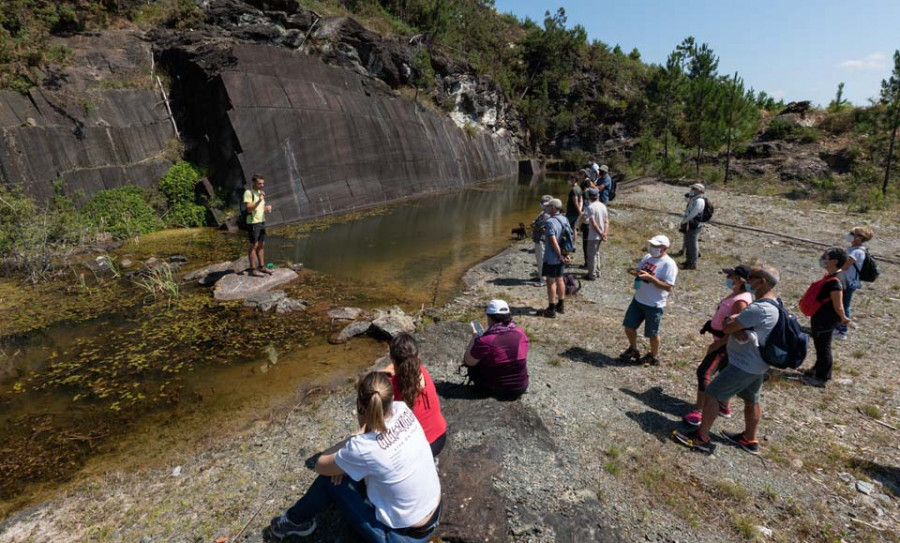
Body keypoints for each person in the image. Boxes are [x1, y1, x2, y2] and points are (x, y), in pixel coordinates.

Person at [269, 371, 442, 542]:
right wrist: (348, 460)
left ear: (360, 405)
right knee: (352, 466)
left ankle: (292, 521)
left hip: (402, 537)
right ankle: (346, 470)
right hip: (435, 510)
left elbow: (320, 464)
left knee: (329, 480)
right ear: (391, 398)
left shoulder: (362, 447)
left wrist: (353, 441)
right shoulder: (403, 410)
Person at [674, 266, 781, 455]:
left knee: (713, 394)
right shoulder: (775, 303)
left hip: (743, 364)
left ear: (762, 282)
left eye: (751, 278)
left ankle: (701, 437)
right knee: (752, 400)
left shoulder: (758, 307)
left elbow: (728, 327)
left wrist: (731, 321)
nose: (748, 281)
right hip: (758, 364)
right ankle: (749, 438)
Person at [682, 265, 753, 426]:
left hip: (724, 345)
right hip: (722, 342)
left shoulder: (741, 301)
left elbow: (737, 327)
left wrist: (718, 345)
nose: (728, 278)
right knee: (724, 373)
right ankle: (723, 406)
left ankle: (700, 411)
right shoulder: (737, 294)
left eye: (731, 276)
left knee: (704, 373)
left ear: (740, 280)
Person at [383, 333, 448, 457]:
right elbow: (403, 362)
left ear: (392, 358)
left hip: (421, 449)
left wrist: (380, 373)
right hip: (440, 437)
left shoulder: (391, 387)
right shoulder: (421, 369)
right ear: (417, 356)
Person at [619, 235, 678, 366]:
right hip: (639, 299)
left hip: (654, 304)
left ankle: (654, 356)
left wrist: (651, 279)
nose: (652, 248)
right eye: (652, 245)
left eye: (656, 246)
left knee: (652, 333)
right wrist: (635, 273)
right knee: (629, 326)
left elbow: (668, 287)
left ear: (664, 248)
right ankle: (633, 349)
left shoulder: (669, 264)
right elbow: (639, 269)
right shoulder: (647, 257)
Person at [801, 248, 851, 388]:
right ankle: (815, 369)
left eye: (826, 257)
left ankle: (822, 378)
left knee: (824, 348)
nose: (823, 259)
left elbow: (838, 304)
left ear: (834, 261)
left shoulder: (835, 281)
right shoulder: (831, 276)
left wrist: (843, 317)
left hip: (826, 319)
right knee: (819, 345)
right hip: (820, 317)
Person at [464, 299, 529, 399]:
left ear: (489, 317)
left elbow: (468, 361)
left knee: (476, 359)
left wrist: (475, 338)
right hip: (521, 387)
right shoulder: (520, 333)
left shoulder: (486, 340)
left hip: (498, 389)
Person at [836, 226, 874, 339]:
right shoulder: (854, 249)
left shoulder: (857, 252)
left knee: (844, 305)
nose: (850, 235)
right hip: (846, 281)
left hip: (848, 282)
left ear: (860, 237)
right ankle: (837, 327)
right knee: (840, 304)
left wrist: (833, 272)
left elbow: (846, 266)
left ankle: (842, 331)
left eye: (853, 234)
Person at [538, 199, 571, 318]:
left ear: (552, 208)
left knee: (550, 282)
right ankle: (561, 305)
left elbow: (553, 241)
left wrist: (559, 256)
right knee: (560, 279)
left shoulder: (550, 221)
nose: (547, 209)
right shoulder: (564, 219)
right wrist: (565, 254)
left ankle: (551, 309)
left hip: (552, 257)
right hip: (561, 255)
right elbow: (567, 237)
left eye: (548, 207)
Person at [573, 188, 609, 281]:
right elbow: (606, 221)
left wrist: (601, 234)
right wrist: (605, 233)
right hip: (601, 234)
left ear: (589, 197)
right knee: (596, 253)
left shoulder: (591, 207)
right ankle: (597, 272)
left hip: (594, 235)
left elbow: (593, 223)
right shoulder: (603, 206)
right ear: (597, 196)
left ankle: (591, 275)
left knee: (591, 255)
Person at [243, 174, 274, 277]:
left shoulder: (260, 193)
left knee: (261, 244)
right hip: (253, 222)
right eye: (260, 183)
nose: (262, 185)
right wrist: (259, 200)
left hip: (261, 221)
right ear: (254, 183)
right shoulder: (249, 193)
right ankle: (252, 269)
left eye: (263, 183)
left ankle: (261, 266)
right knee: (254, 245)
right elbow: (249, 208)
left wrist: (266, 208)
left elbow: (260, 208)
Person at [678, 183, 706, 270]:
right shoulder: (694, 199)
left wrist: (684, 221)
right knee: (688, 242)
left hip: (693, 225)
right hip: (690, 224)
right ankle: (688, 261)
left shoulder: (699, 201)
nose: (692, 190)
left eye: (695, 189)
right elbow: (687, 202)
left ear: (700, 191)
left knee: (692, 244)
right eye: (692, 188)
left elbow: (693, 214)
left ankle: (692, 264)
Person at [530, 195, 553, 288]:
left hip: (541, 240)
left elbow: (535, 225)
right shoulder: (544, 213)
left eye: (542, 203)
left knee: (541, 260)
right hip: (542, 240)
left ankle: (542, 280)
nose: (541, 204)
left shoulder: (546, 215)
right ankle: (542, 277)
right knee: (542, 260)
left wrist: (534, 224)